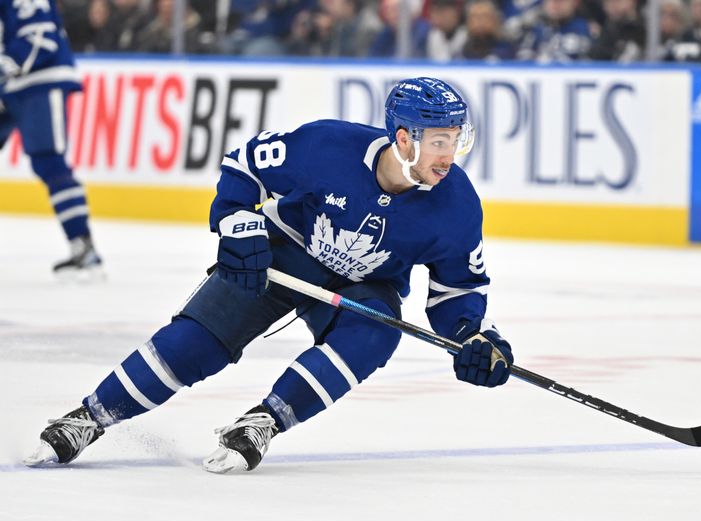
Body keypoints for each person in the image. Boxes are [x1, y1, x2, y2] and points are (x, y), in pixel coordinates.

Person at [24, 77, 515, 474]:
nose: (449, 156)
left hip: (365, 283)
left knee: (374, 335)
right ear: (403, 138)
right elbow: (245, 165)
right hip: (285, 254)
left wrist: (470, 334)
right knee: (195, 343)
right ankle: (90, 416)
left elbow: (458, 289)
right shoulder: (329, 145)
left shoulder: (457, 205)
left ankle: (264, 421)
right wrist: (238, 222)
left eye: (455, 140)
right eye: (438, 142)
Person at [1, 0, 102, 274]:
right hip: (11, 86)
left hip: (39, 82)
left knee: (50, 162)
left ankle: (84, 247)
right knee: (48, 162)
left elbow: (40, 36)